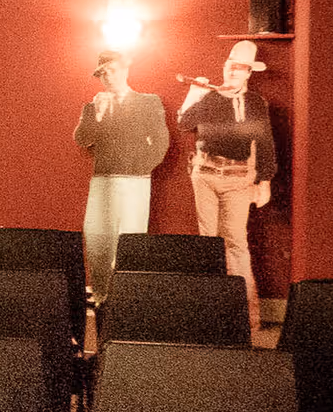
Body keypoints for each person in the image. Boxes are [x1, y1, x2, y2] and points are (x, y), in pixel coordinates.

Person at [176, 39, 278, 338]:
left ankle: (247, 320)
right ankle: (211, 317)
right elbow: (184, 124)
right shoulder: (210, 96)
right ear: (225, 67)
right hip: (205, 173)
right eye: (232, 66)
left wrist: (265, 180)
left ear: (249, 73)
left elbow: (266, 142)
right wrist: (195, 93)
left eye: (242, 68)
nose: (235, 71)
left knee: (235, 244)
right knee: (209, 242)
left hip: (238, 179)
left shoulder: (256, 103)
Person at [73, 50, 169, 304]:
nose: (108, 77)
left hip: (135, 181)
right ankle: (102, 294)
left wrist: (141, 168)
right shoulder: (93, 106)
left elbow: (161, 141)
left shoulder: (148, 102)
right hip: (103, 179)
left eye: (112, 70)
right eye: (102, 73)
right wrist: (98, 113)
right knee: (96, 239)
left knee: (130, 239)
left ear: (125, 70)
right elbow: (83, 139)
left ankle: (126, 298)